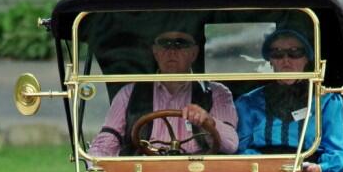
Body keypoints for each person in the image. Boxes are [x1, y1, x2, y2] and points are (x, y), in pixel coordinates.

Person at [89, 29, 238, 156]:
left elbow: (231, 145)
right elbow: (108, 138)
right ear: (155, 52)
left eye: (181, 44)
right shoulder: (129, 93)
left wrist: (208, 121)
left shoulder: (216, 93)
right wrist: (96, 163)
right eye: (164, 44)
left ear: (194, 53)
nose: (172, 51)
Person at [235, 28, 343, 172]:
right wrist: (265, 165)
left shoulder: (325, 101)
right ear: (270, 60)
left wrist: (320, 168)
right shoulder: (249, 102)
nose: (286, 60)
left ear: (307, 58)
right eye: (277, 53)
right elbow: (239, 150)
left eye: (295, 53)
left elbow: (342, 152)